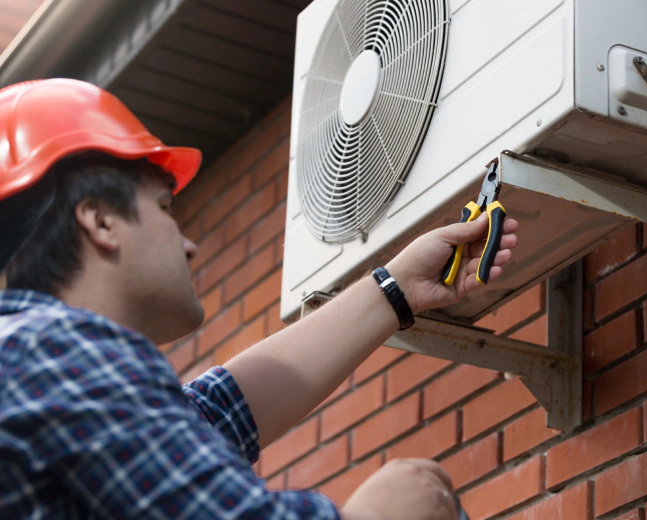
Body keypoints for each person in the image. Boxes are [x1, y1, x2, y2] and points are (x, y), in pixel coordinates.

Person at [0, 79, 518, 519]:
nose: (189, 243)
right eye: (163, 206)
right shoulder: (55, 353)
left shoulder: (38, 367)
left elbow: (217, 411)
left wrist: (397, 288)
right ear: (101, 221)